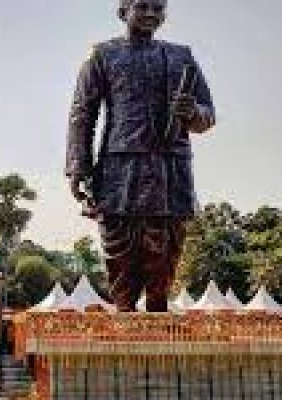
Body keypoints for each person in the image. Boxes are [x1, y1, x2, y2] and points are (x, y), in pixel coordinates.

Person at [66, 0, 216, 312]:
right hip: (119, 171)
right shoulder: (103, 54)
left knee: (165, 251)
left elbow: (208, 115)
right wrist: (78, 167)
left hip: (169, 169)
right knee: (120, 252)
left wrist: (193, 113)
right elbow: (83, 113)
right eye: (142, 6)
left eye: (158, 8)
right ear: (123, 12)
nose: (150, 14)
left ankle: (158, 318)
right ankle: (124, 317)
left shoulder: (181, 56)